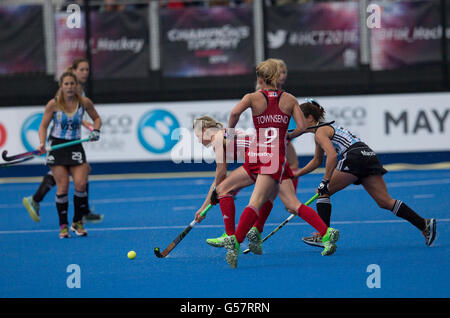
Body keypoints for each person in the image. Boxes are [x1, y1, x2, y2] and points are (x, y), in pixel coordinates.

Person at [200, 58, 337, 268]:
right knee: (231, 190)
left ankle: (235, 241)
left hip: (258, 154)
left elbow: (235, 113)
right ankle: (236, 237)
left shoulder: (252, 97)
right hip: (274, 157)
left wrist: (229, 130)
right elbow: (301, 127)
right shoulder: (290, 99)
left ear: (260, 78)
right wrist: (287, 136)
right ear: (276, 77)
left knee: (247, 197)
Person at [193, 115, 339, 260]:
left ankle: (230, 235)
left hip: (260, 162)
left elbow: (221, 173)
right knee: (292, 204)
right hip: (276, 158)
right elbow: (220, 177)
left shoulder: (217, 138)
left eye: (198, 136)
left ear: (205, 129)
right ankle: (326, 232)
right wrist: (204, 206)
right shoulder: (226, 133)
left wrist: (213, 196)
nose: (199, 140)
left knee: (226, 190)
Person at [295, 99, 437, 248]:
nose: (296, 122)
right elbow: (317, 160)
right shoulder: (323, 131)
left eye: (298, 118)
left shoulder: (320, 132)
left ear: (310, 118)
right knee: (385, 201)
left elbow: (331, 156)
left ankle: (324, 236)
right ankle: (424, 224)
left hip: (354, 156)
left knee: (323, 192)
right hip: (368, 154)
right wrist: (296, 174)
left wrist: (325, 181)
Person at [23, 58, 103, 224]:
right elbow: (62, 114)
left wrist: (89, 125)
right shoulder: (67, 90)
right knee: (66, 177)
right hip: (59, 140)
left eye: (87, 70)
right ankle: (40, 201)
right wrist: (42, 143)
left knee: (81, 173)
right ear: (73, 72)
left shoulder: (81, 94)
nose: (85, 73)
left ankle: (82, 210)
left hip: (73, 142)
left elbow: (76, 114)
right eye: (82, 69)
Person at [37, 71, 102, 238]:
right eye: (66, 84)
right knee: (63, 186)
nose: (69, 87)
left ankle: (77, 222)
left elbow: (97, 119)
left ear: (76, 86)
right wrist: (42, 143)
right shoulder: (53, 104)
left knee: (81, 184)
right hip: (58, 147)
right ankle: (63, 226)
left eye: (72, 84)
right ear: (61, 86)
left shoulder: (84, 102)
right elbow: (43, 126)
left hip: (75, 147)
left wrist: (95, 131)